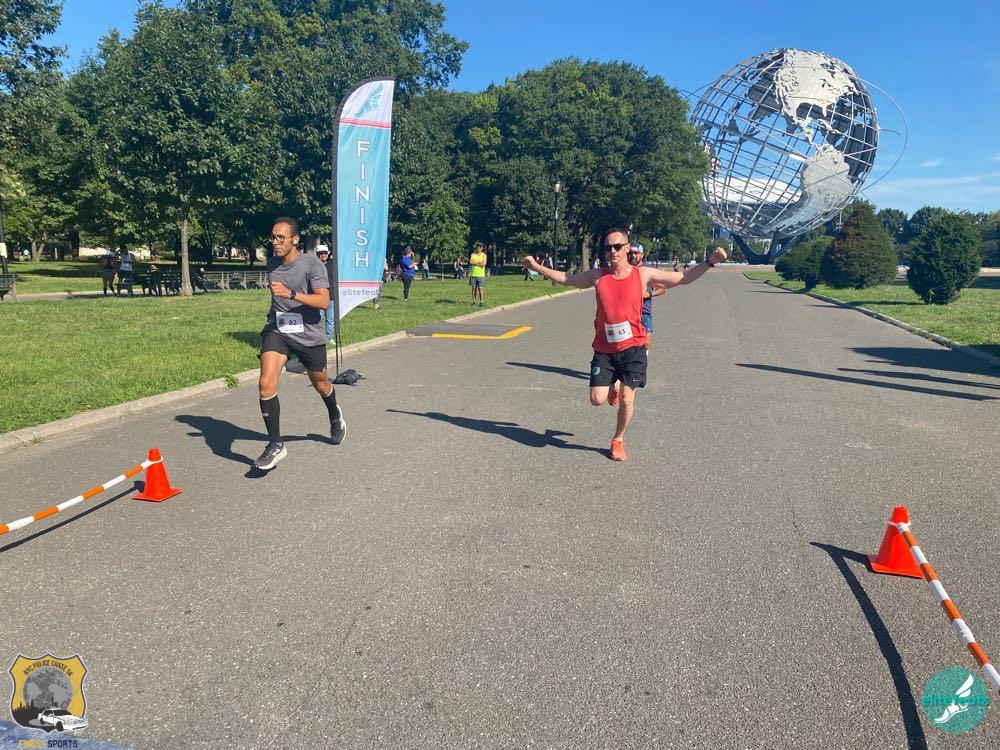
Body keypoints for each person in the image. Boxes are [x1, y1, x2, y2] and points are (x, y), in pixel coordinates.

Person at [523, 228, 727, 462]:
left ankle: (618, 439)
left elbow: (683, 278)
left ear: (627, 248)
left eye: (617, 246)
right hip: (604, 349)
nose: (612, 251)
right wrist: (536, 267)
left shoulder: (642, 274)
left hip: (633, 347)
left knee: (627, 399)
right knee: (596, 399)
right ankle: (614, 384)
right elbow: (567, 279)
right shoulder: (597, 275)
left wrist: (710, 261)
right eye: (608, 247)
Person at [253, 217, 346, 471]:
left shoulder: (312, 264)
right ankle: (275, 444)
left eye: (281, 237)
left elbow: (323, 302)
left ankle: (334, 414)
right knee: (265, 383)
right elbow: (277, 299)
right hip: (279, 330)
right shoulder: (272, 263)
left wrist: (291, 294)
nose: (275, 242)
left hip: (308, 334)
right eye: (273, 237)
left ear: (295, 239)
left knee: (321, 383)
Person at [627, 243, 665, 350]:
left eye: (636, 253)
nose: (633, 255)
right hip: (626, 314)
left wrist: (650, 294)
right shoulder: (624, 269)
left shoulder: (649, 270)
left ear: (642, 255)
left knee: (645, 345)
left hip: (644, 313)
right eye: (630, 253)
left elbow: (662, 289)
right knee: (626, 346)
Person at [316, 245, 336, 342]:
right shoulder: (314, 266)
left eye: (325, 253)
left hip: (331, 296)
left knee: (330, 319)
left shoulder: (333, 265)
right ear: (317, 254)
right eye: (321, 253)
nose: (323, 255)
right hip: (318, 296)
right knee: (317, 318)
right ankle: (318, 337)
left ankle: (328, 338)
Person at [469, 241, 487, 307]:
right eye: (477, 247)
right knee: (474, 289)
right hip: (473, 274)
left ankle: (481, 302)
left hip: (481, 275)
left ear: (482, 248)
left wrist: (475, 263)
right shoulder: (473, 254)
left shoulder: (484, 255)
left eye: (480, 247)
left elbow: (484, 263)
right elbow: (471, 262)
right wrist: (479, 263)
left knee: (480, 288)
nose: (478, 248)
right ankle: (474, 301)